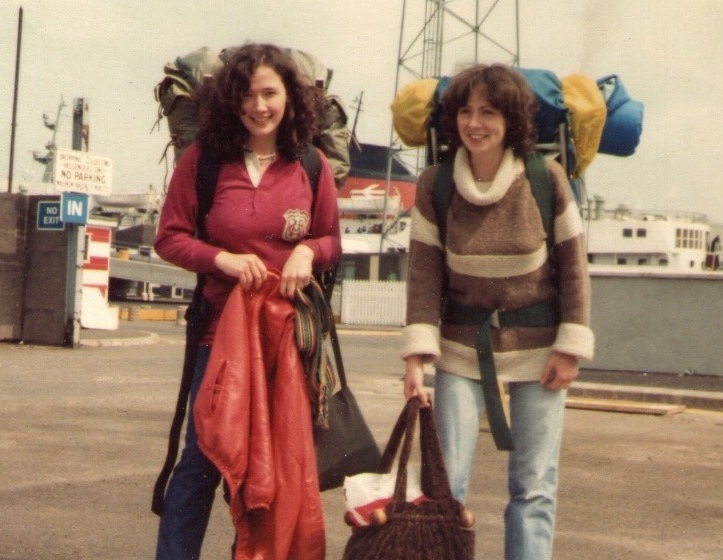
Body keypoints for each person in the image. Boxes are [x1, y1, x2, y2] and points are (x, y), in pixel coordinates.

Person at [153, 43, 341, 560]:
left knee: (270, 467)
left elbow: (331, 240)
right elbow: (169, 237)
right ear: (229, 100)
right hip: (219, 335)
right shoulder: (204, 161)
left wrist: (307, 250)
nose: (259, 106)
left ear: (290, 99)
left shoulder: (311, 165)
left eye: (270, 94)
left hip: (287, 338)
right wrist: (223, 260)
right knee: (202, 459)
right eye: (247, 94)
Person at [402, 63, 594, 560]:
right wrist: (416, 358)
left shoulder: (544, 178)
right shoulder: (435, 184)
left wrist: (570, 348)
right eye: (465, 112)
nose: (475, 123)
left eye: (488, 112)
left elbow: (574, 269)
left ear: (511, 120)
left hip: (541, 349)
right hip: (461, 348)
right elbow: (423, 275)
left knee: (534, 486)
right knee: (446, 485)